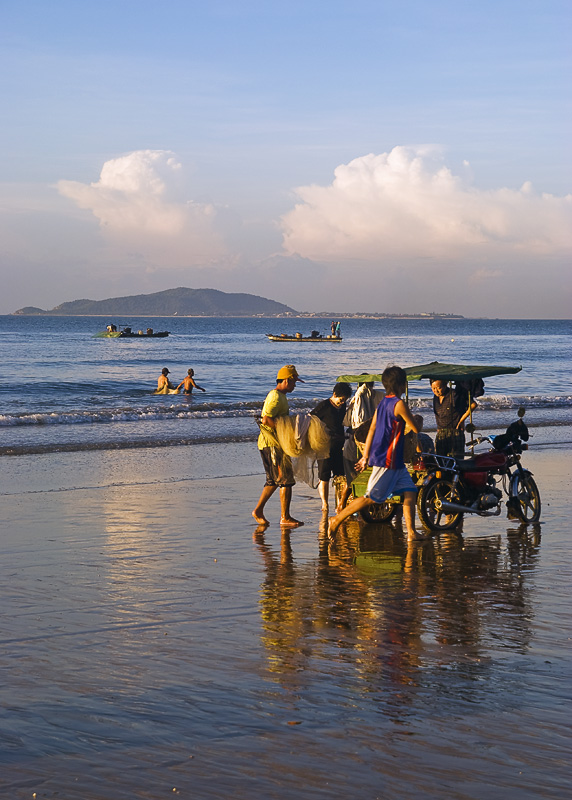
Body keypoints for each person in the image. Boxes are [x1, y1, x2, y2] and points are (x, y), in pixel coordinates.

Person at [328, 365, 427, 541]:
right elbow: (414, 427)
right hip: (387, 460)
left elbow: (372, 428)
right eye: (404, 383)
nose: (405, 387)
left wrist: (365, 456)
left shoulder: (383, 403)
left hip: (395, 461)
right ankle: (336, 519)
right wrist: (419, 421)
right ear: (399, 384)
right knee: (371, 498)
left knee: (410, 491)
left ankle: (411, 533)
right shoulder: (398, 404)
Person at [252, 365, 305, 528]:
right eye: (294, 382)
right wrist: (286, 429)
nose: (295, 385)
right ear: (287, 380)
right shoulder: (275, 396)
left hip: (273, 443)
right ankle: (285, 517)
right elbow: (266, 419)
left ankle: (259, 511)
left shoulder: (280, 396)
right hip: (272, 444)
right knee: (286, 480)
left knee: (274, 480)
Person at [311, 382, 353, 512]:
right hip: (324, 447)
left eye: (345, 400)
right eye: (341, 400)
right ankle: (325, 504)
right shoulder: (324, 406)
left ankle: (339, 502)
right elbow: (310, 420)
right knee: (324, 476)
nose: (342, 402)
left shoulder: (343, 406)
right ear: (334, 394)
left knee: (340, 475)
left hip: (339, 445)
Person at [431, 379, 477, 458]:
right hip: (441, 433)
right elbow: (438, 414)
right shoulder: (435, 397)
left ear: (445, 385)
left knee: (456, 461)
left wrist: (461, 420)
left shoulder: (454, 394)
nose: (436, 391)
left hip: (455, 432)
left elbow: (473, 405)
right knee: (441, 461)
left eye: (439, 388)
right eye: (433, 388)